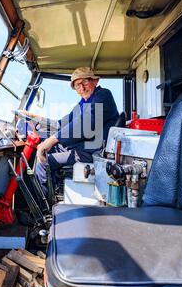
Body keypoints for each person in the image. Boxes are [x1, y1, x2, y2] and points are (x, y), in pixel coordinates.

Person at [19, 67, 119, 196]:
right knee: (49, 147)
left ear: (95, 81)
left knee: (43, 162)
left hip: (94, 150)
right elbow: (61, 124)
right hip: (84, 145)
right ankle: (53, 193)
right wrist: (34, 118)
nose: (82, 88)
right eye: (78, 85)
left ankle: (44, 209)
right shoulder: (83, 103)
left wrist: (51, 140)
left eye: (85, 83)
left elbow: (85, 124)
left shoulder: (103, 95)